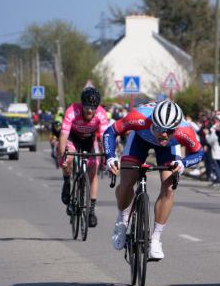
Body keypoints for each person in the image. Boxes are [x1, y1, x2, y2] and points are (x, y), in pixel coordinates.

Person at [103, 99, 204, 260]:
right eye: (159, 128)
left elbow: (198, 153)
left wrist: (183, 163)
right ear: (153, 122)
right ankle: (122, 221)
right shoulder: (138, 118)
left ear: (176, 128)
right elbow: (110, 132)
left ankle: (156, 239)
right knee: (127, 181)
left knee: (170, 188)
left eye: (169, 130)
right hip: (139, 140)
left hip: (168, 148)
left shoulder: (184, 130)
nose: (163, 134)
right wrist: (110, 157)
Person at [57, 87, 110, 227]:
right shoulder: (72, 111)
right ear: (82, 105)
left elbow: (105, 137)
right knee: (68, 158)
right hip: (73, 139)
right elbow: (63, 136)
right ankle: (67, 181)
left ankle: (91, 211)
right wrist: (63, 156)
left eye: (93, 108)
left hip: (89, 141)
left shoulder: (101, 114)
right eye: (87, 107)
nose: (90, 111)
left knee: (93, 168)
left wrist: (108, 156)